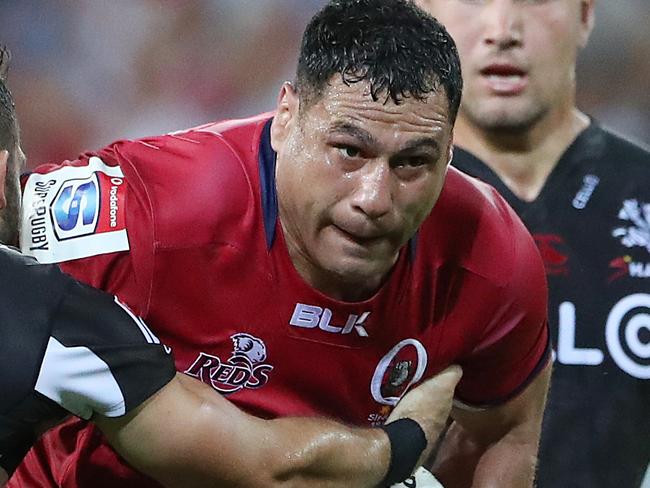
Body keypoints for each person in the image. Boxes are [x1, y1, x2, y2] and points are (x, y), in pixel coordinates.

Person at [15, 1, 552, 487]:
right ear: (286, 118)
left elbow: (504, 434)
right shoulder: (148, 212)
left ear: (450, 152)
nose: (374, 198)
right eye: (348, 151)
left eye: (413, 162)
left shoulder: (492, 260)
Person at [416, 0, 650, 486]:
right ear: (423, 14)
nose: (503, 29)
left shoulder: (640, 192)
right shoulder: (374, 203)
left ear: (586, 14)